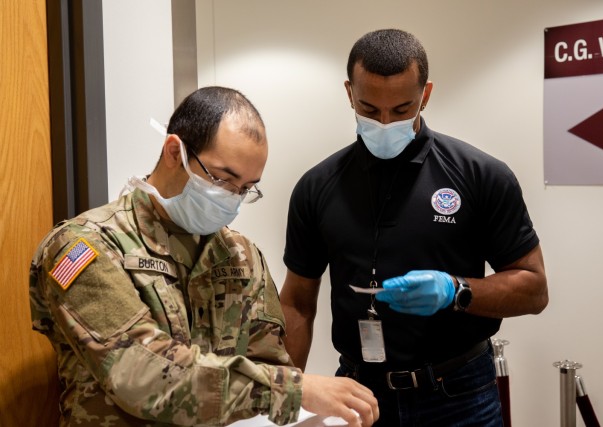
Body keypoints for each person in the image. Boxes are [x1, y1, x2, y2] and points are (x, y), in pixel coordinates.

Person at [29, 86, 378, 427]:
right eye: (223, 179)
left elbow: (269, 361)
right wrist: (291, 391)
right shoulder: (85, 246)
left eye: (246, 188)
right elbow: (138, 374)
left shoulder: (240, 255)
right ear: (173, 152)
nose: (233, 198)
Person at [280, 29, 548, 426]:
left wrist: (457, 290)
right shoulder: (316, 187)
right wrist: (287, 396)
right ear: (349, 92)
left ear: (426, 94)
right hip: (357, 392)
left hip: (459, 394)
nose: (385, 123)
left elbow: (534, 288)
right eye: (369, 110)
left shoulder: (480, 175)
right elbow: (298, 302)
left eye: (402, 109)